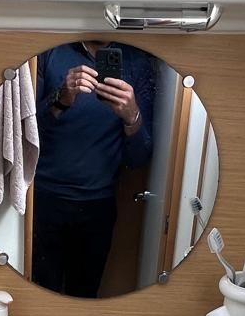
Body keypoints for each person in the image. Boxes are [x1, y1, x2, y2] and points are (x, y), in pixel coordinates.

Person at [32, 41, 155, 297]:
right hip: (43, 200)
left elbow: (139, 158)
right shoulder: (51, 51)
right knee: (40, 292)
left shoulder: (138, 63)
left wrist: (132, 116)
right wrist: (61, 98)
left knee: (85, 294)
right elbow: (28, 133)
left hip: (98, 205)